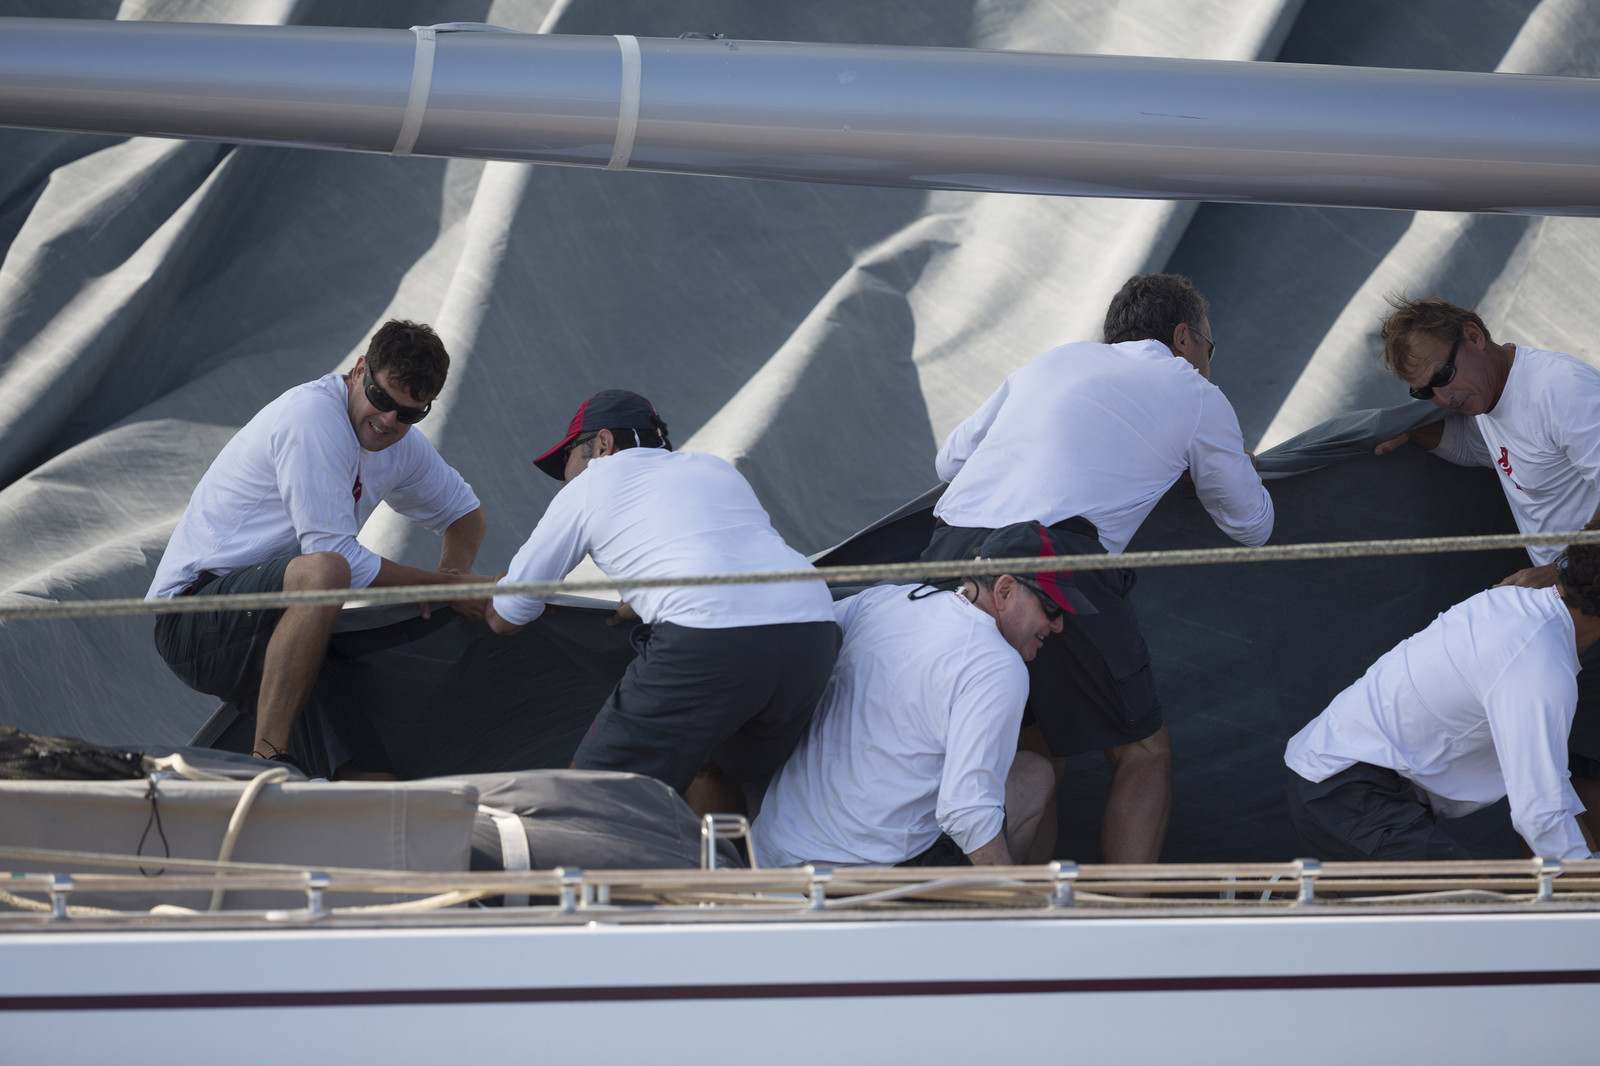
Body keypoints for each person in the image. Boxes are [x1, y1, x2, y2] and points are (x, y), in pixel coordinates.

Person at [924, 273, 1273, 863]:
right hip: (1049, 558)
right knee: (1143, 753)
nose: (1209, 364)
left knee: (1033, 751)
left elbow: (948, 459)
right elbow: (1253, 526)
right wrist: (1217, 459)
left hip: (943, 557)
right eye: (1210, 350)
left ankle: (1016, 919)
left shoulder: (1050, 362)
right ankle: (1123, 933)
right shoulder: (1193, 392)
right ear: (1184, 338)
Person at [148, 320, 490, 777]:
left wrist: (452, 579)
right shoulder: (312, 415)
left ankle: (302, 805)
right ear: (359, 370)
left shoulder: (401, 445)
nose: (389, 421)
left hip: (284, 626)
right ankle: (267, 760)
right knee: (326, 572)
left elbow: (466, 516)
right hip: (195, 617)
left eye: (409, 413)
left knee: (372, 782)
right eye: (382, 398)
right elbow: (336, 560)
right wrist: (448, 590)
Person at [485, 389, 839, 816]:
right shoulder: (713, 467)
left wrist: (481, 595)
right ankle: (722, 880)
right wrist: (638, 599)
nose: (566, 478)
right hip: (813, 632)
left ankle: (594, 882)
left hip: (710, 639)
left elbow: (507, 616)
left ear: (601, 444)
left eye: (567, 461)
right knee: (711, 764)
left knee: (591, 793)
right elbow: (721, 555)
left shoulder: (592, 482)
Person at [1373, 293, 1600, 836]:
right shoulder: (1488, 400)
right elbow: (1488, 455)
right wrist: (1411, 430)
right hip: (1568, 606)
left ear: (1474, 334)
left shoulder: (1559, 388)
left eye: (1444, 376)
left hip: (1584, 594)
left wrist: (1561, 571)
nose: (1443, 396)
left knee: (1565, 783)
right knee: (1571, 778)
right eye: (1424, 392)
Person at [754, 523, 1091, 868]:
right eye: (1053, 607)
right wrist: (1011, 899)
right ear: (1004, 590)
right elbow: (967, 810)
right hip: (860, 883)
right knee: (1035, 777)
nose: (1059, 624)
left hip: (769, 854)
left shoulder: (885, 601)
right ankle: (994, 919)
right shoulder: (997, 665)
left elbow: (798, 638)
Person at [1283, 528, 1600, 861]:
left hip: (1343, 777)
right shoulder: (1539, 667)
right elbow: (1539, 812)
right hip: (1347, 791)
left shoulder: (1512, 602)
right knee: (1477, 907)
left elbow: (1547, 787)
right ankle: (1277, 898)